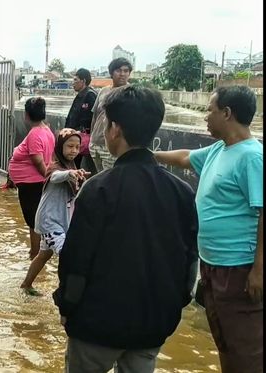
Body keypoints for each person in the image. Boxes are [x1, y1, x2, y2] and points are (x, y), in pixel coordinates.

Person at [53, 86, 198, 373]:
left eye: (106, 125)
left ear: (115, 129)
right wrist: (173, 305)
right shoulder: (181, 191)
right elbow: (189, 260)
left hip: (97, 323)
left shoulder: (98, 188)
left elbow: (76, 260)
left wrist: (67, 307)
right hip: (152, 324)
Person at [154, 85, 263, 373]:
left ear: (227, 114)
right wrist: (149, 155)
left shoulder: (252, 157)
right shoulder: (219, 149)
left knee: (246, 349)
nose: (205, 117)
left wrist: (259, 270)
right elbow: (185, 157)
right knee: (225, 341)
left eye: (210, 111)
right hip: (213, 265)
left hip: (239, 267)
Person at [23, 132, 87, 296]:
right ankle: (66, 295)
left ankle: (26, 284)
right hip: (49, 222)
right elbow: (54, 177)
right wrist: (70, 174)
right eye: (70, 146)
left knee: (43, 255)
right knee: (67, 256)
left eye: (77, 147)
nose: (74, 150)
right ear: (60, 147)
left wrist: (80, 178)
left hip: (59, 222)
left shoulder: (72, 167)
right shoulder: (56, 167)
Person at [7, 97, 55, 276]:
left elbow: (38, 161)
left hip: (32, 184)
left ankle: (35, 256)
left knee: (34, 222)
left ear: (26, 115)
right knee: (34, 221)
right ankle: (35, 255)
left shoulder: (36, 133)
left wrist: (48, 178)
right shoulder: (46, 130)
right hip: (32, 183)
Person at [88, 57, 132, 172]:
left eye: (126, 71)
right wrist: (91, 137)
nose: (122, 74)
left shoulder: (131, 93)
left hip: (113, 146)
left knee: (111, 179)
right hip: (95, 144)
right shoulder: (103, 91)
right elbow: (95, 116)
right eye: (118, 70)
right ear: (111, 73)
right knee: (99, 177)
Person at [64, 68, 97, 174]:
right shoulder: (80, 95)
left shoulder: (90, 95)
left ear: (83, 81)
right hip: (74, 135)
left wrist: (81, 130)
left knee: (74, 165)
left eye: (75, 80)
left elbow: (92, 117)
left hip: (80, 138)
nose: (73, 83)